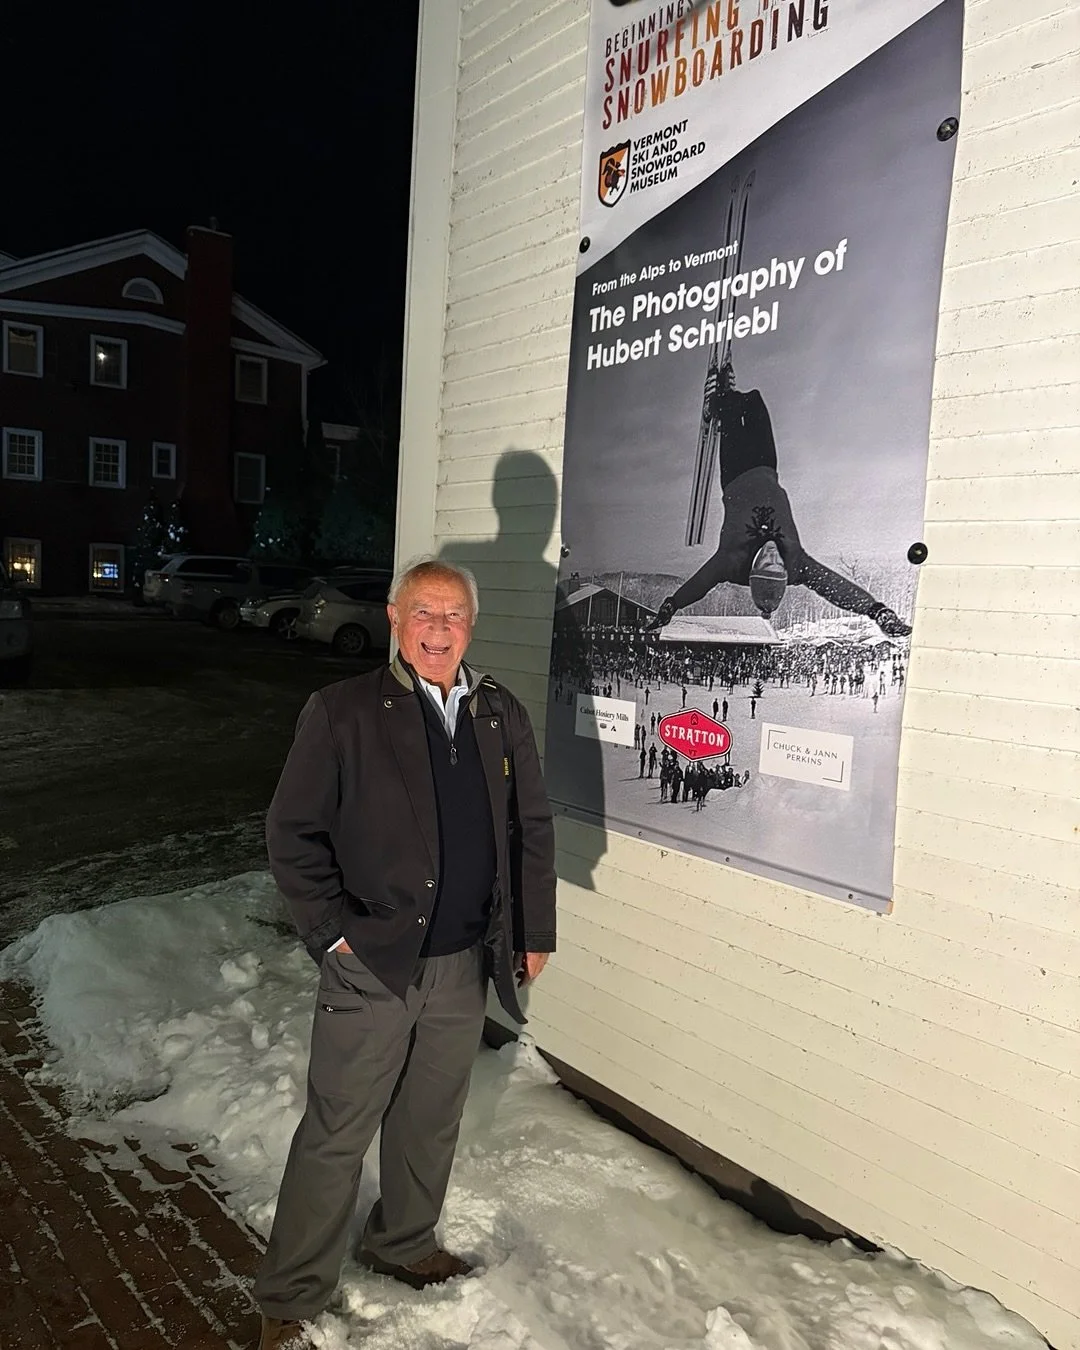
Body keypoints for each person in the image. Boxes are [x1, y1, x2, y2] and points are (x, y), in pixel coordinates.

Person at [252, 558, 556, 1350]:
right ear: (393, 619)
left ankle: (403, 1242)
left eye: (454, 615)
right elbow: (292, 834)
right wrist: (333, 934)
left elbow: (531, 830)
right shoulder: (344, 711)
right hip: (372, 962)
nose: (439, 629)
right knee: (336, 1130)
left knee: (429, 1120)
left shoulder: (498, 713)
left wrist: (534, 930)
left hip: (461, 963)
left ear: (471, 626)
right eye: (424, 612)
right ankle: (290, 1295)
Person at [647, 358, 912, 638]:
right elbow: (835, 587)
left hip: (735, 474)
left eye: (765, 564)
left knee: (731, 410)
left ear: (752, 572)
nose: (773, 555)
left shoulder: (730, 562)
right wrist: (877, 611)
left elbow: (699, 584)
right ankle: (728, 396)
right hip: (766, 468)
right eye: (778, 565)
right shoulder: (797, 566)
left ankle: (715, 407)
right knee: (755, 401)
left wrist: (670, 606)